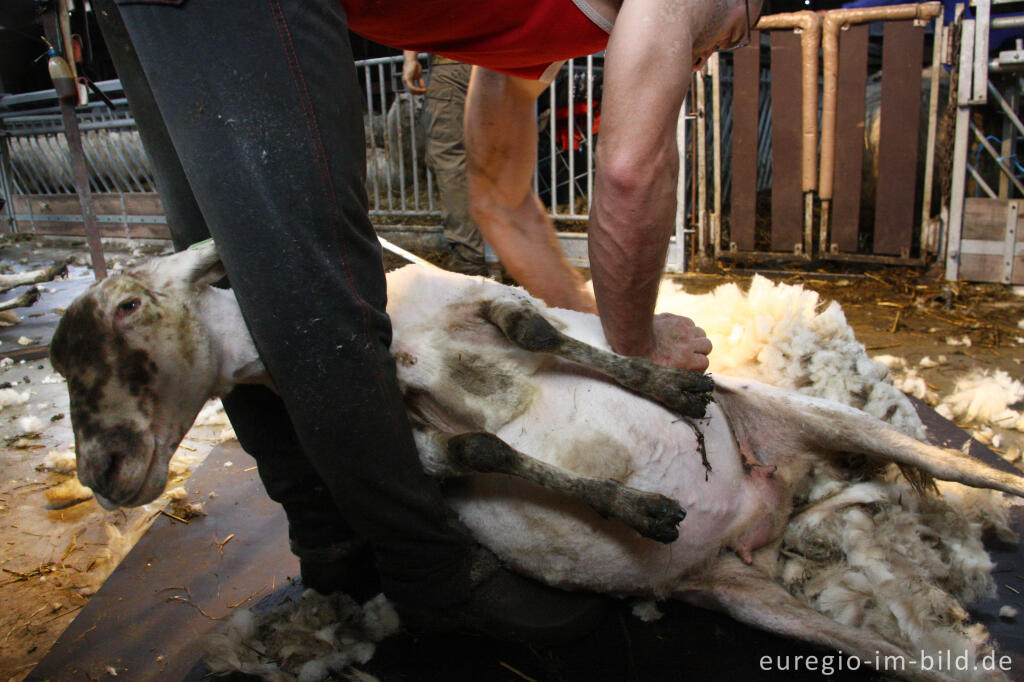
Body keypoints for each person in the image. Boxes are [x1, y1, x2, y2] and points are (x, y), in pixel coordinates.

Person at [91, 0, 754, 640]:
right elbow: (632, 171)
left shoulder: (528, 36)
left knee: (236, 258)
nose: (709, 56)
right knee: (310, 268)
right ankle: (432, 575)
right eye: (737, 31)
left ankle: (329, 541)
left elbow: (500, 197)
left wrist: (592, 329)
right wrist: (638, 344)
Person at [402, 51, 489, 276]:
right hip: (504, 63)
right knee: (505, 157)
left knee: (451, 158)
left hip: (451, 60)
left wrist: (410, 59)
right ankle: (518, 257)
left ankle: (468, 260)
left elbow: (414, 14)